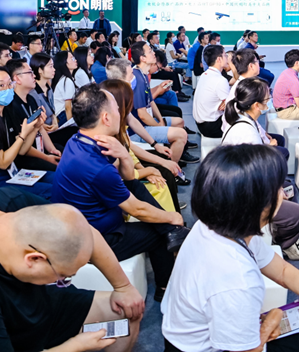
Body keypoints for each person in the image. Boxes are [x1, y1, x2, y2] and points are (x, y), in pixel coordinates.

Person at [162, 144, 299, 352]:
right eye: (277, 188)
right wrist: (271, 320)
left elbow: (283, 271)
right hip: (204, 348)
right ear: (257, 205)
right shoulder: (237, 277)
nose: (284, 193)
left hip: (187, 336)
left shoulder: (220, 224)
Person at [0, 187, 144, 352]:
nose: (64, 280)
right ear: (34, 259)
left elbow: (81, 231)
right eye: (63, 277)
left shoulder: (9, 201)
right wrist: (73, 347)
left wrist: (123, 287)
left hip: (35, 302)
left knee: (126, 313)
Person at [52, 85, 186, 302]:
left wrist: (124, 155)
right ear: (106, 118)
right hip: (96, 240)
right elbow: (137, 209)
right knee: (159, 233)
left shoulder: (80, 140)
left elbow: (129, 178)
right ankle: (165, 288)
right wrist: (172, 217)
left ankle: (172, 233)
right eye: (116, 108)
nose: (121, 113)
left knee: (138, 190)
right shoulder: (96, 167)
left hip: (87, 225)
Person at [221, 78, 299, 260]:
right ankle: (284, 242)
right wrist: (275, 192)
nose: (269, 102)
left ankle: (285, 235)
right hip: (241, 197)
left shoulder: (244, 120)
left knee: (288, 187)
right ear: (256, 105)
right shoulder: (247, 133)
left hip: (242, 185)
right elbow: (255, 178)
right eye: (267, 99)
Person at [101, 79, 183, 211]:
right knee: (164, 174)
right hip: (124, 178)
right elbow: (121, 168)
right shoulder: (109, 132)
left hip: (131, 168)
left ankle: (173, 212)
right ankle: (172, 216)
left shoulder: (118, 122)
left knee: (164, 165)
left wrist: (145, 165)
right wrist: (145, 171)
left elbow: (128, 149)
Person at [0, 67, 44, 187]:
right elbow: (3, 163)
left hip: (13, 170)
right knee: (49, 190)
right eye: (1, 85)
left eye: (10, 84)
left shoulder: (8, 111)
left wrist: (35, 128)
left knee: (54, 180)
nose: (7, 89)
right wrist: (23, 135)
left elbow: (22, 150)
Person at [131, 42, 194, 164]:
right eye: (150, 51)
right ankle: (171, 168)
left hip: (147, 122)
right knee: (181, 134)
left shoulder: (143, 75)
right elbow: (142, 115)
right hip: (139, 130)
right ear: (143, 58)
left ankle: (175, 154)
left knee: (179, 122)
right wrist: (159, 126)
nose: (154, 53)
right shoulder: (137, 78)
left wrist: (160, 120)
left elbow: (151, 101)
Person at [4, 59, 59, 177]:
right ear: (17, 78)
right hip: (26, 156)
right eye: (29, 73)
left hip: (39, 147)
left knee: (61, 152)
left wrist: (52, 150)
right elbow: (22, 148)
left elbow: (40, 128)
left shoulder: (31, 99)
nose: (34, 75)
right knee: (57, 170)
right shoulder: (11, 106)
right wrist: (47, 157)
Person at [193, 44, 230, 139]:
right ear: (219, 59)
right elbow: (231, 106)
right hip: (212, 126)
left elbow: (226, 103)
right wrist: (228, 102)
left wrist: (226, 102)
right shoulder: (220, 80)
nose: (227, 58)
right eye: (225, 55)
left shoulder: (205, 74)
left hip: (201, 124)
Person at [51, 50, 79, 125]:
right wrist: (71, 125)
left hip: (60, 115)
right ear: (64, 63)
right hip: (63, 115)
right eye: (71, 58)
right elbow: (68, 107)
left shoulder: (63, 79)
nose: (75, 60)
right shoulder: (67, 81)